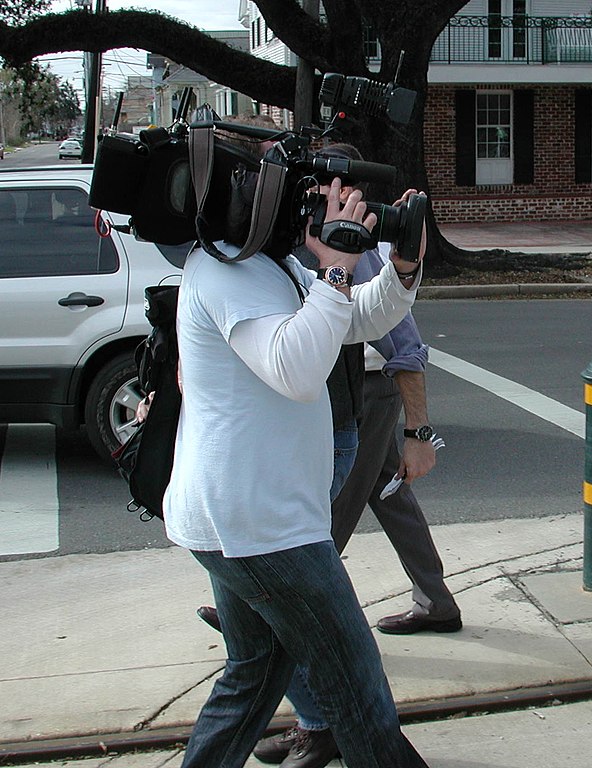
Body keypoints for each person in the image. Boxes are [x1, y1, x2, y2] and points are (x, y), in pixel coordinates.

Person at [163, 127, 430, 767]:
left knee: (253, 675)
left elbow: (353, 319)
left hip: (250, 520)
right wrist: (336, 268)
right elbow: (295, 367)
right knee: (359, 695)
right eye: (303, 196)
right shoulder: (226, 271)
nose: (314, 208)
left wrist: (401, 269)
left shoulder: (266, 265)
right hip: (261, 526)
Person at [246, 143, 457, 768]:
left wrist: (420, 435)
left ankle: (320, 695)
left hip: (361, 397)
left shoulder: (347, 245)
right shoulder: (289, 247)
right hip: (336, 397)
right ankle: (436, 601)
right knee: (389, 500)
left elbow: (404, 343)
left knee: (324, 531)